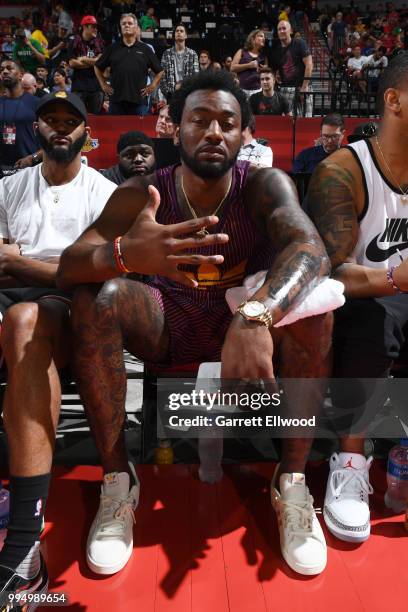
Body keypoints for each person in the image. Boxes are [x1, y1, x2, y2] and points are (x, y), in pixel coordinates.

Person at [57, 70, 332, 577]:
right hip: (167, 320)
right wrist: (123, 254)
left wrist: (255, 316)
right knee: (99, 297)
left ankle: (291, 481)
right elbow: (69, 266)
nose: (213, 132)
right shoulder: (142, 193)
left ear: (243, 134)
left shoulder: (265, 184)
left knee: (316, 314)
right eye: (199, 120)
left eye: (227, 122)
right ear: (175, 128)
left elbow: (311, 249)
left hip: (242, 324)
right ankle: (118, 480)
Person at [0, 91, 116, 605]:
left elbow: (91, 272)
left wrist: (23, 264)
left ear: (87, 134)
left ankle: (24, 542)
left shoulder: (105, 192)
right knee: (17, 319)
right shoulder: (9, 186)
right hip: (12, 297)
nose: (62, 128)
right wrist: (46, 265)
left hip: (68, 311)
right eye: (52, 120)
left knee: (26, 322)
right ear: (38, 130)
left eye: (73, 122)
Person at [307, 53, 408, 544]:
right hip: (358, 301)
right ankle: (349, 456)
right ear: (394, 100)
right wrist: (396, 278)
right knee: (377, 317)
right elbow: (327, 274)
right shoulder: (343, 170)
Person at [94, 13, 164, 115]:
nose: (126, 25)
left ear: (136, 28)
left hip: (139, 101)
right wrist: (103, 84)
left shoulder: (145, 49)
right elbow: (97, 66)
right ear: (120, 28)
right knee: (116, 131)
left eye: (130, 23)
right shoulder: (112, 48)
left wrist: (152, 86)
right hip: (116, 101)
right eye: (123, 24)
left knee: (139, 131)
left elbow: (160, 71)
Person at [0, 58, 40, 170]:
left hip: (28, 168)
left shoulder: (36, 103)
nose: (5, 72)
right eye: (2, 69)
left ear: (20, 75)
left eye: (9, 68)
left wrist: (33, 158)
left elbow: (48, 143)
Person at [273, 20, 313, 117]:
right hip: (285, 89)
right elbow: (277, 69)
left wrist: (304, 87)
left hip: (302, 86)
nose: (282, 31)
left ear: (290, 31)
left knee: (306, 120)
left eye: (284, 28)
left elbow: (309, 64)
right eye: (279, 29)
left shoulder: (300, 43)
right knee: (288, 123)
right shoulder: (276, 50)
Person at [68, 15, 104, 114]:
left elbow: (100, 62)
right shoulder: (74, 42)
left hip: (96, 87)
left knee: (96, 119)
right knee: (77, 117)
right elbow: (72, 63)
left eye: (96, 27)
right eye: (93, 26)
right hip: (79, 87)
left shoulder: (100, 43)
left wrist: (84, 59)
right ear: (84, 27)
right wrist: (93, 62)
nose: (96, 29)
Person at [160, 24, 199, 102]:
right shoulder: (166, 53)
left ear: (186, 36)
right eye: (177, 31)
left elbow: (196, 75)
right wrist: (168, 93)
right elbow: (162, 76)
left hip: (187, 94)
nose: (179, 32)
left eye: (181, 31)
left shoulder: (193, 54)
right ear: (174, 35)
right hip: (171, 94)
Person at [231, 29, 268, 97]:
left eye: (264, 37)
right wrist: (248, 65)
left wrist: (264, 70)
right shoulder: (242, 51)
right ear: (252, 39)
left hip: (257, 90)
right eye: (261, 36)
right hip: (242, 90)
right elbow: (232, 68)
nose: (264, 38)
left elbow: (266, 74)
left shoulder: (263, 56)